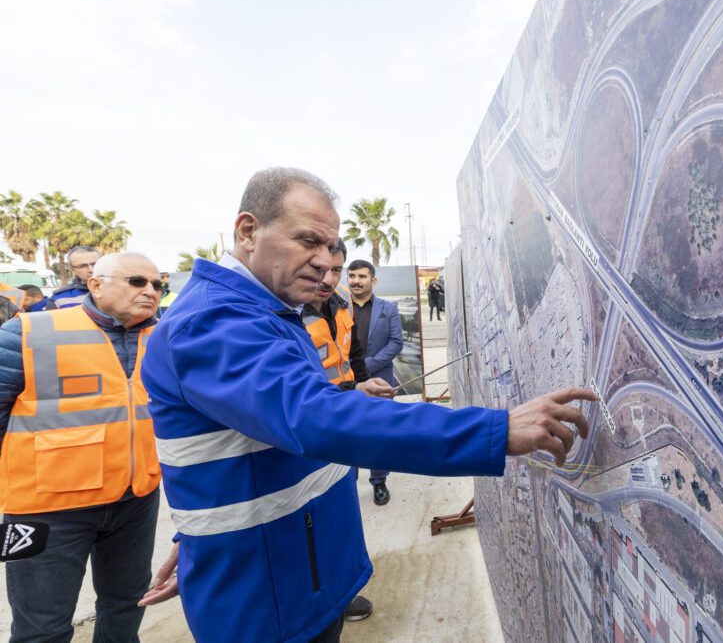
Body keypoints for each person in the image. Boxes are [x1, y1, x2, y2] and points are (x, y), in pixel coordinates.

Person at [138, 167, 594, 643]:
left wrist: (198, 534)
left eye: (329, 246)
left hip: (294, 575)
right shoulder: (214, 320)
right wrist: (493, 432)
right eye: (307, 240)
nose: (323, 261)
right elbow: (313, 419)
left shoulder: (264, 309)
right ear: (248, 230)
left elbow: (253, 434)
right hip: (270, 602)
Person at [0, 252, 164, 642]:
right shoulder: (26, 332)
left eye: (158, 285)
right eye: (137, 282)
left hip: (135, 500)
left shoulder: (166, 338)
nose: (151, 291)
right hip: (45, 509)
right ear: (96, 284)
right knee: (42, 628)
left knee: (127, 606)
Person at [304, 240, 378, 622]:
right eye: (322, 270)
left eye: (337, 270)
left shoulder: (340, 305)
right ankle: (323, 599)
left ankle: (343, 591)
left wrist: (364, 392)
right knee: (314, 519)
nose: (329, 279)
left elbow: (354, 355)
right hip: (312, 430)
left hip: (345, 420)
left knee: (344, 509)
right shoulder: (287, 315)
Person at [346, 259, 403, 506]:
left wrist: (366, 367)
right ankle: (348, 482)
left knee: (379, 432)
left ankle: (379, 481)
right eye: (351, 276)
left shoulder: (388, 309)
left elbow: (395, 342)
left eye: (361, 276)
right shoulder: (338, 308)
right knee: (348, 431)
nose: (356, 281)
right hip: (345, 382)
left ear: (373, 280)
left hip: (379, 379)